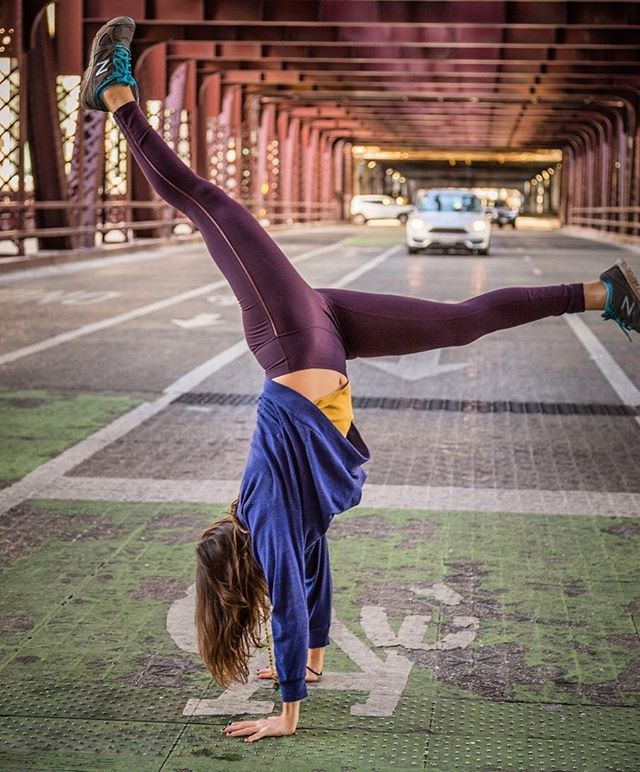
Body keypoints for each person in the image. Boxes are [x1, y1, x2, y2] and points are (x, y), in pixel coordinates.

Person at [81, 17, 640, 744]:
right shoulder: (276, 528)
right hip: (300, 336)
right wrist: (288, 709)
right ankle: (116, 92)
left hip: (311, 347)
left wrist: (312, 664)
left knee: (222, 212)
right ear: (228, 549)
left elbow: (310, 590)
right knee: (209, 202)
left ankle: (602, 295)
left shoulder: (279, 520)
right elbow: (296, 594)